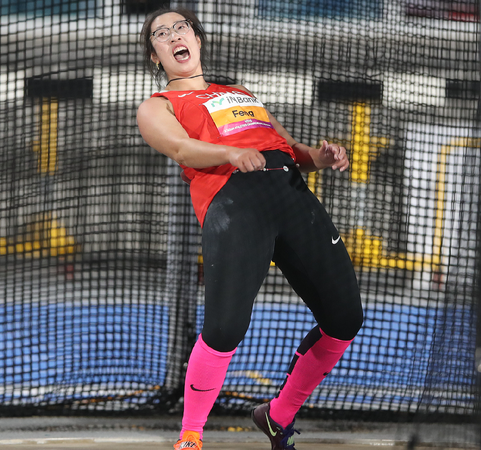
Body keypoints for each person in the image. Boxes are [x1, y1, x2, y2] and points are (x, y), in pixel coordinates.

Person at [136, 7, 363, 450]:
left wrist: (319, 158)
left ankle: (278, 416)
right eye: (161, 34)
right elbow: (182, 149)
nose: (173, 35)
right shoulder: (159, 105)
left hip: (292, 195)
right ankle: (191, 435)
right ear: (155, 56)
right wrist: (229, 155)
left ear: (197, 40)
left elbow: (287, 147)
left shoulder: (239, 92)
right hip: (234, 203)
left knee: (345, 319)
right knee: (224, 329)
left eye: (181, 27)